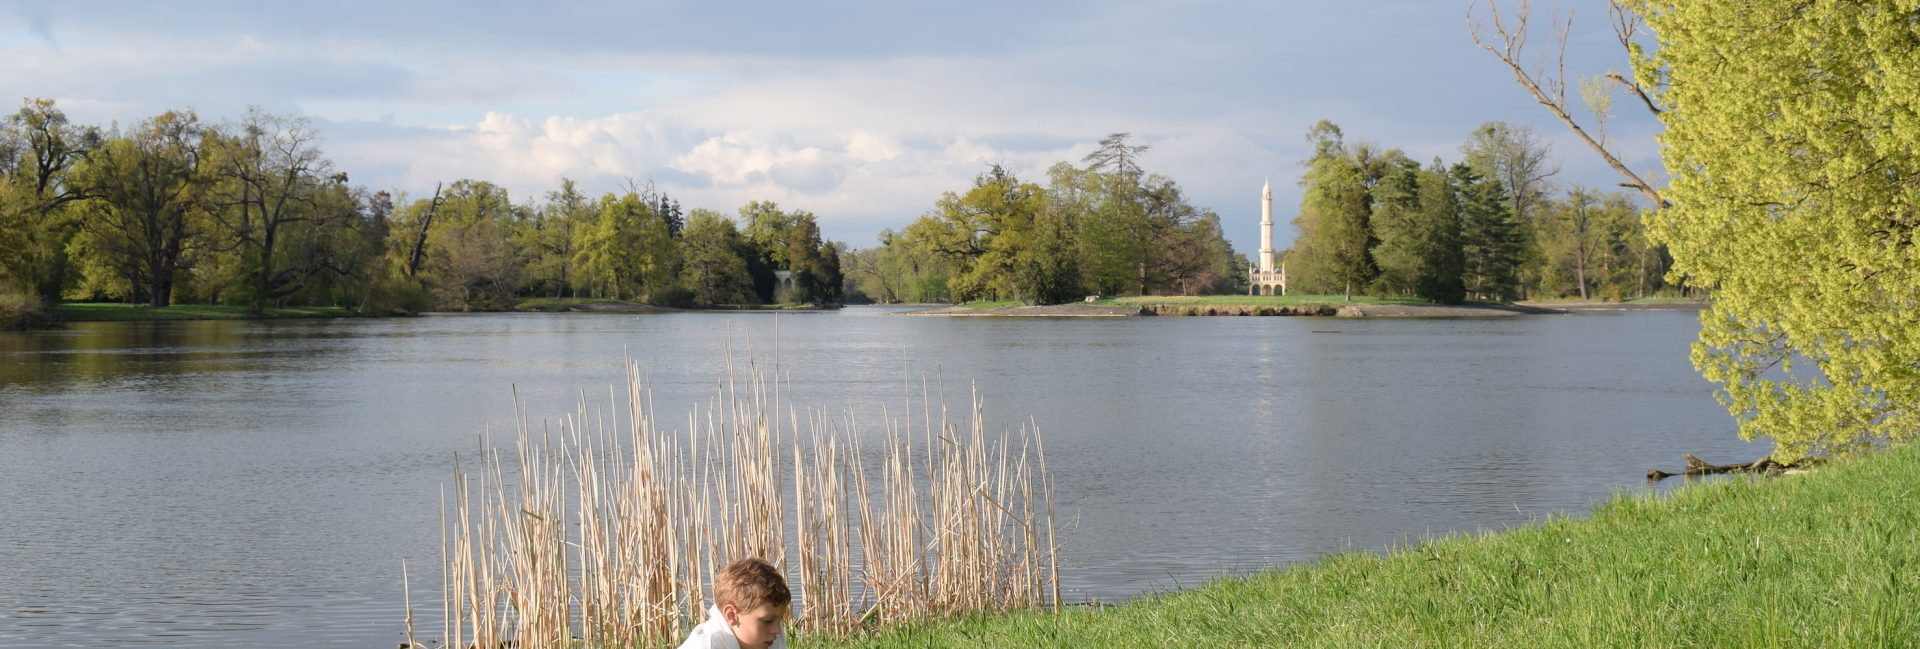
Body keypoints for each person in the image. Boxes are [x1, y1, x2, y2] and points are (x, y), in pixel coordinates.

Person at [677, 557, 792, 649]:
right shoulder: (706, 645)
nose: (777, 630)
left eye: (780, 619)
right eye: (767, 621)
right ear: (732, 615)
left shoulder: (768, 640)